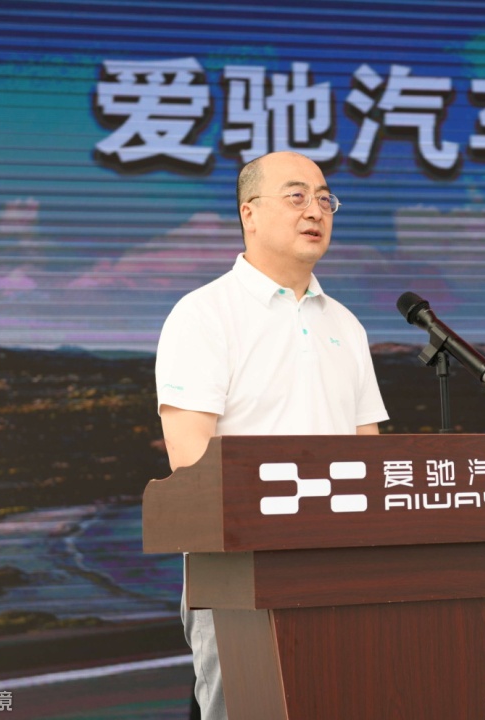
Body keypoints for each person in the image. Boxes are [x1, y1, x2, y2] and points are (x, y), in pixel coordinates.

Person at [154, 151, 389, 720]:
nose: (315, 211)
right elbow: (191, 460)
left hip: (341, 573)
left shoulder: (347, 324)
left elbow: (370, 455)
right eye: (296, 196)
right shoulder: (204, 314)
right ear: (249, 213)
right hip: (241, 572)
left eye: (325, 199)